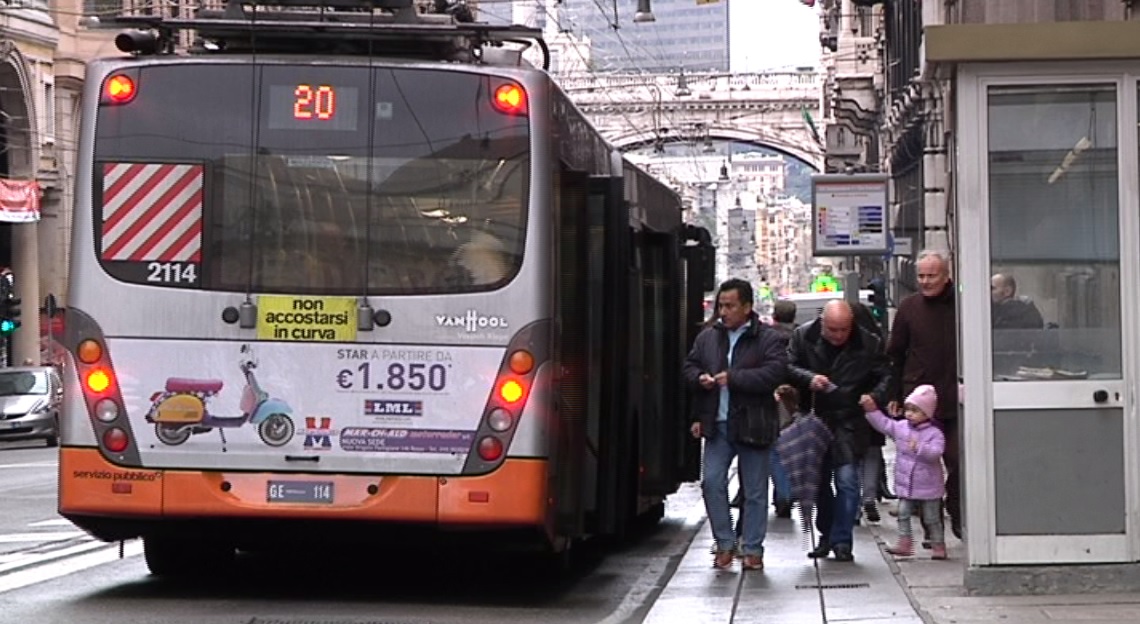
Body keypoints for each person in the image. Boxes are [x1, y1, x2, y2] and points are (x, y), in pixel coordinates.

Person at [684, 278, 788, 571]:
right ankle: (725, 543)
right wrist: (699, 380)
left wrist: (735, 377)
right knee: (712, 482)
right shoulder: (708, 337)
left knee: (754, 491)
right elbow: (690, 367)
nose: (724, 311)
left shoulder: (768, 337)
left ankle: (753, 548)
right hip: (717, 423)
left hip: (753, 423)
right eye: (720, 306)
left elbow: (775, 372)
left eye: (730, 306)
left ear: (747, 307)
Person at [787, 300, 891, 562]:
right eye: (833, 330)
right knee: (819, 481)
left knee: (846, 481)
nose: (838, 336)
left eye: (844, 330)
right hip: (816, 418)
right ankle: (827, 534)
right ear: (822, 324)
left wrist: (874, 396)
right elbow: (786, 366)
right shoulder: (803, 336)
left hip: (850, 418)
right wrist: (808, 379)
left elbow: (887, 375)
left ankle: (842, 539)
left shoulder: (868, 342)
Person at [886, 249, 961, 540]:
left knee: (956, 458)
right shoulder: (908, 308)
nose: (926, 281)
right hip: (918, 401)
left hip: (954, 397)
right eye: (921, 276)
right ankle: (932, 527)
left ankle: (956, 512)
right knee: (921, 464)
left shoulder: (961, 305)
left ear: (946, 276)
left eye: (932, 275)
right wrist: (893, 393)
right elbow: (895, 355)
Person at [860, 385, 947, 559]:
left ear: (927, 413)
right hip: (906, 484)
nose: (909, 414)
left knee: (931, 518)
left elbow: (936, 452)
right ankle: (904, 543)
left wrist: (920, 448)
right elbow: (884, 424)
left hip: (928, 485)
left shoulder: (934, 433)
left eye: (915, 411)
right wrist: (872, 411)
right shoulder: (901, 427)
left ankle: (938, 544)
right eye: (908, 410)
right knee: (903, 514)